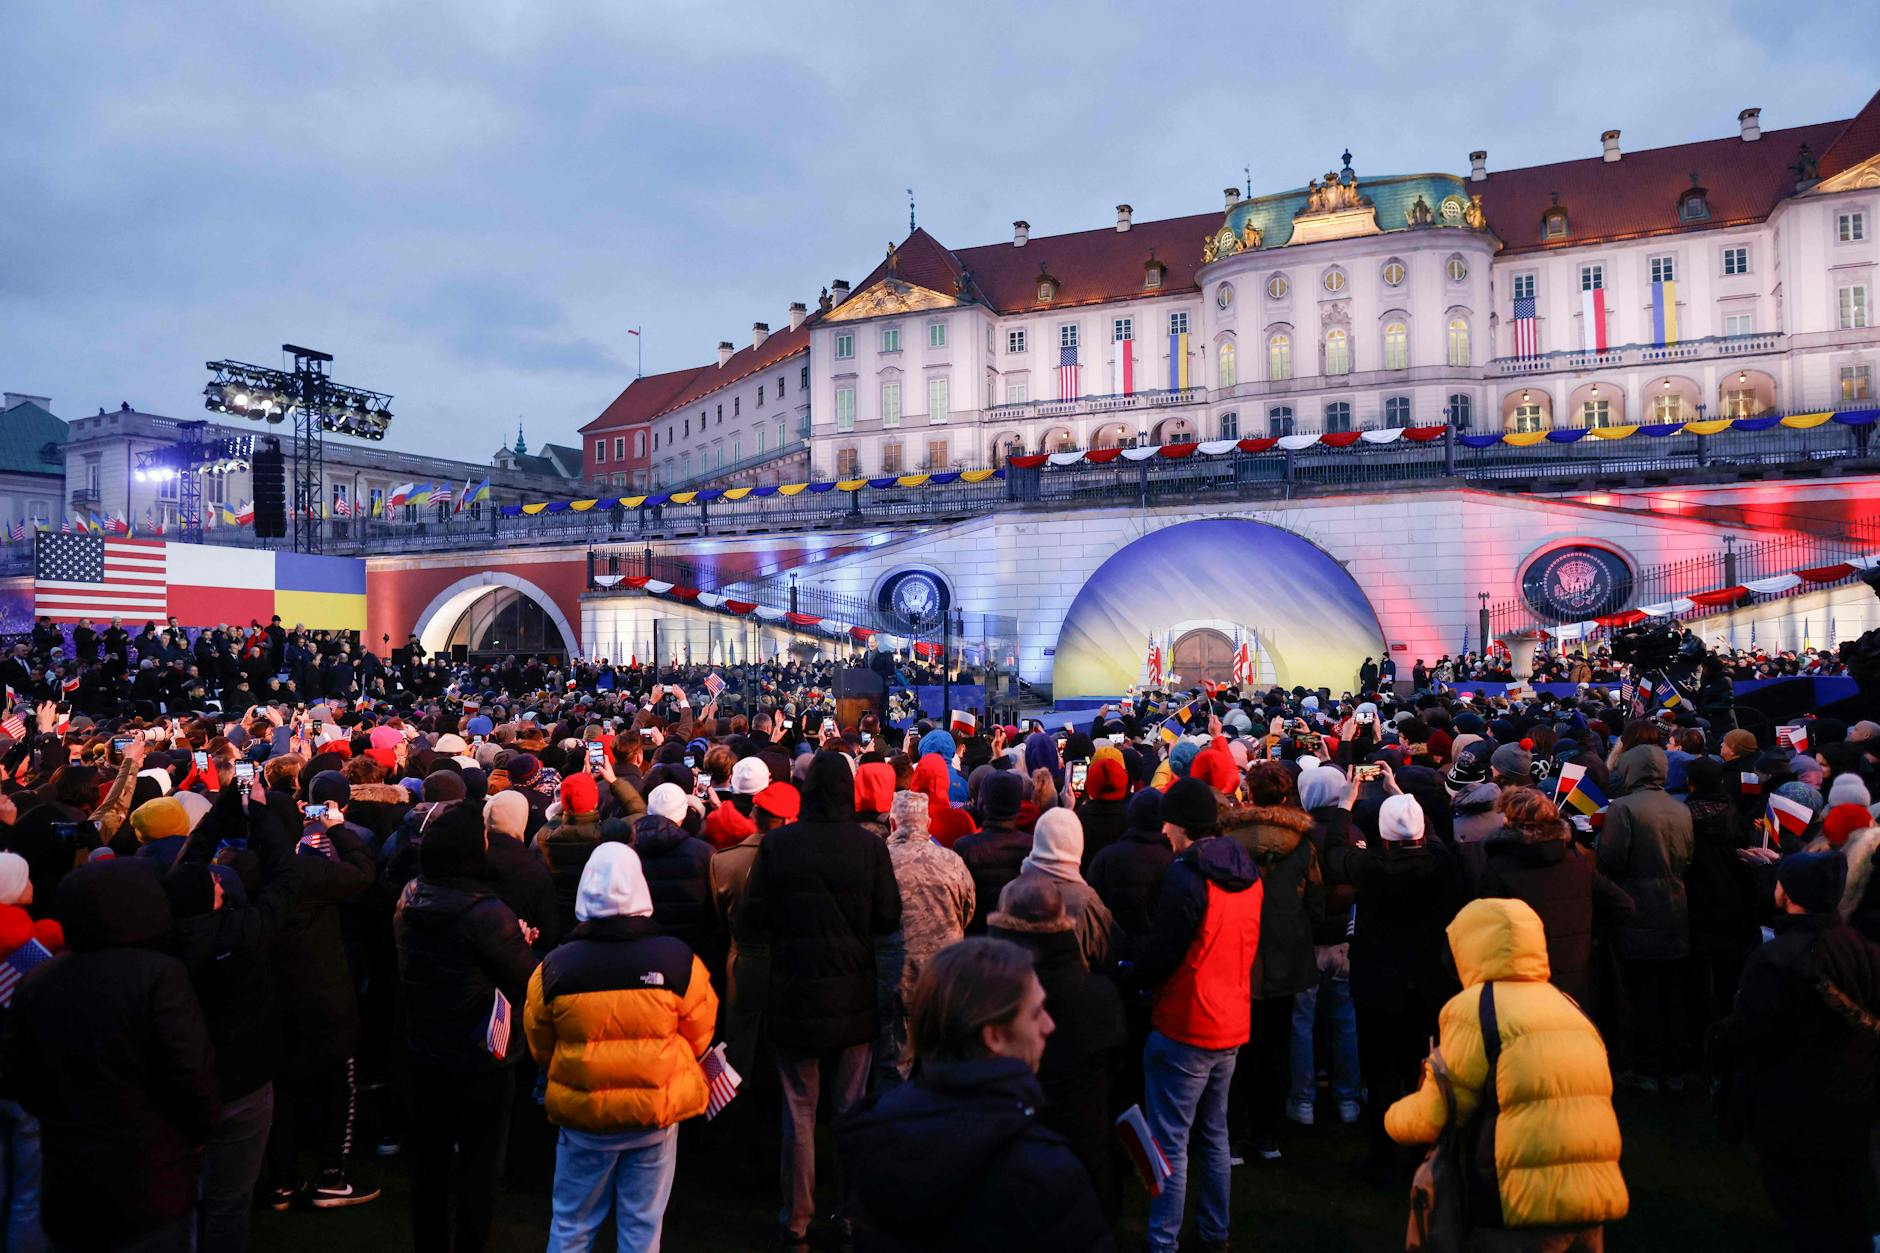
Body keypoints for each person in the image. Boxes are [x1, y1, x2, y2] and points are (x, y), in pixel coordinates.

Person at [838, 938, 1113, 1252]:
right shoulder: (1044, 1172)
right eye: (1036, 1013)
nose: (1049, 1026)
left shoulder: (878, 1133)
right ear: (993, 1036)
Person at [1385, 897, 1629, 1251]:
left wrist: (1393, 1119)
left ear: (1468, 949)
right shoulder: (1569, 1006)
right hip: (1590, 1201)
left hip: (1521, 1203)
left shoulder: (1476, 1009)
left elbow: (1438, 1112)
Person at [7, 860, 219, 1253]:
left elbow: (23, 1079)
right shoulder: (159, 976)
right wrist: (198, 1131)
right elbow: (191, 1071)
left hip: (70, 1173)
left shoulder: (36, 981)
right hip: (150, 1177)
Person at [739, 751, 902, 1252]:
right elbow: (888, 918)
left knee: (800, 1113)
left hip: (795, 992)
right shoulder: (868, 848)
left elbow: (753, 918)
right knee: (851, 1112)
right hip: (852, 995)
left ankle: (798, 1220)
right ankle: (851, 1214)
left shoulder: (780, 845)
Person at [525, 843, 719, 1252]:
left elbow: (540, 1044)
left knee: (572, 1225)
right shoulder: (678, 960)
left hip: (584, 1118)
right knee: (642, 1228)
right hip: (654, 1115)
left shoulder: (555, 968)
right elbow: (700, 1034)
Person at [393, 802, 542, 1253]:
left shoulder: (411, 895)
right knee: (478, 1167)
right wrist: (522, 939)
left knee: (432, 1164)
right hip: (482, 1054)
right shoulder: (485, 913)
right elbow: (529, 978)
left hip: (426, 1047)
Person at [1715, 851, 1880, 1253]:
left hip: (1794, 1104)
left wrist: (1718, 1041)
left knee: (1804, 1207)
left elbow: (1751, 1030)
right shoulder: (1859, 946)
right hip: (1851, 1098)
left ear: (1787, 893)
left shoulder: (1779, 958)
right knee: (1843, 1196)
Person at [1126, 776, 1262, 1253]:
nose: (1162, 831)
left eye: (1167, 823)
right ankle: (1213, 1233)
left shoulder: (1188, 877)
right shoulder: (1245, 873)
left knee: (1171, 1141)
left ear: (1180, 825)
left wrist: (1134, 975)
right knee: (1213, 1135)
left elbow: (1165, 950)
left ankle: (1164, 1241)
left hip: (1187, 1021)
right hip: (1230, 1019)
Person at [1323, 777, 1466, 1173]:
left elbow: (1333, 853)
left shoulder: (1372, 868)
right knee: (1420, 1068)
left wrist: (1346, 803)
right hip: (1426, 985)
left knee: (1384, 1072)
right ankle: (1422, 1152)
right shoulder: (1443, 864)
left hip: (1380, 985)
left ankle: (1385, 1155)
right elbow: (1432, 839)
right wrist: (1401, 792)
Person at [987, 877, 1125, 1219]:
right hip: (1079, 1150)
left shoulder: (984, 997)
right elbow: (1117, 1064)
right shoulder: (1100, 995)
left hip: (1010, 1155)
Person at [1220, 760, 1322, 1161]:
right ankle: (1265, 1135)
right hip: (1277, 954)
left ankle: (1242, 1134)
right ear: (1283, 796)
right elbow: (1315, 901)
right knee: (1274, 1048)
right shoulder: (1301, 844)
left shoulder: (1228, 841)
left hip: (1242, 955)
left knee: (1242, 1050)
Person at [1476, 787, 1633, 1010]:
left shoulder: (1499, 867)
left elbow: (1485, 930)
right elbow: (1623, 905)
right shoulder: (1577, 864)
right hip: (1577, 983)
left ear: (1510, 821)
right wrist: (1586, 933)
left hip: (1525, 984)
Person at [1595, 743, 1694, 1092]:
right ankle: (1677, 1066)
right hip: (1675, 905)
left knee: (1643, 992)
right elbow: (1687, 856)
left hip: (1637, 905)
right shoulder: (1680, 808)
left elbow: (1611, 859)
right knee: (1672, 990)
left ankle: (1648, 1068)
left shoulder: (1623, 808)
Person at [875, 789, 974, 1086]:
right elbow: (967, 909)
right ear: (927, 823)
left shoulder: (879, 860)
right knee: (941, 1061)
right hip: (942, 975)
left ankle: (895, 1123)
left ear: (893, 823)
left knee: (894, 1065)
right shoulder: (951, 861)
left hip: (894, 977)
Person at [995, 807, 1114, 970]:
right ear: (1076, 844)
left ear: (1038, 841)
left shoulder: (1009, 891)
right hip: (1070, 992)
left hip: (1017, 990)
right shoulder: (1085, 901)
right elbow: (1107, 953)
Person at [954, 770, 1030, 933]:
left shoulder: (965, 847)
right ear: (1018, 806)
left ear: (981, 803)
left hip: (976, 935)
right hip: (1018, 936)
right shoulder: (1031, 846)